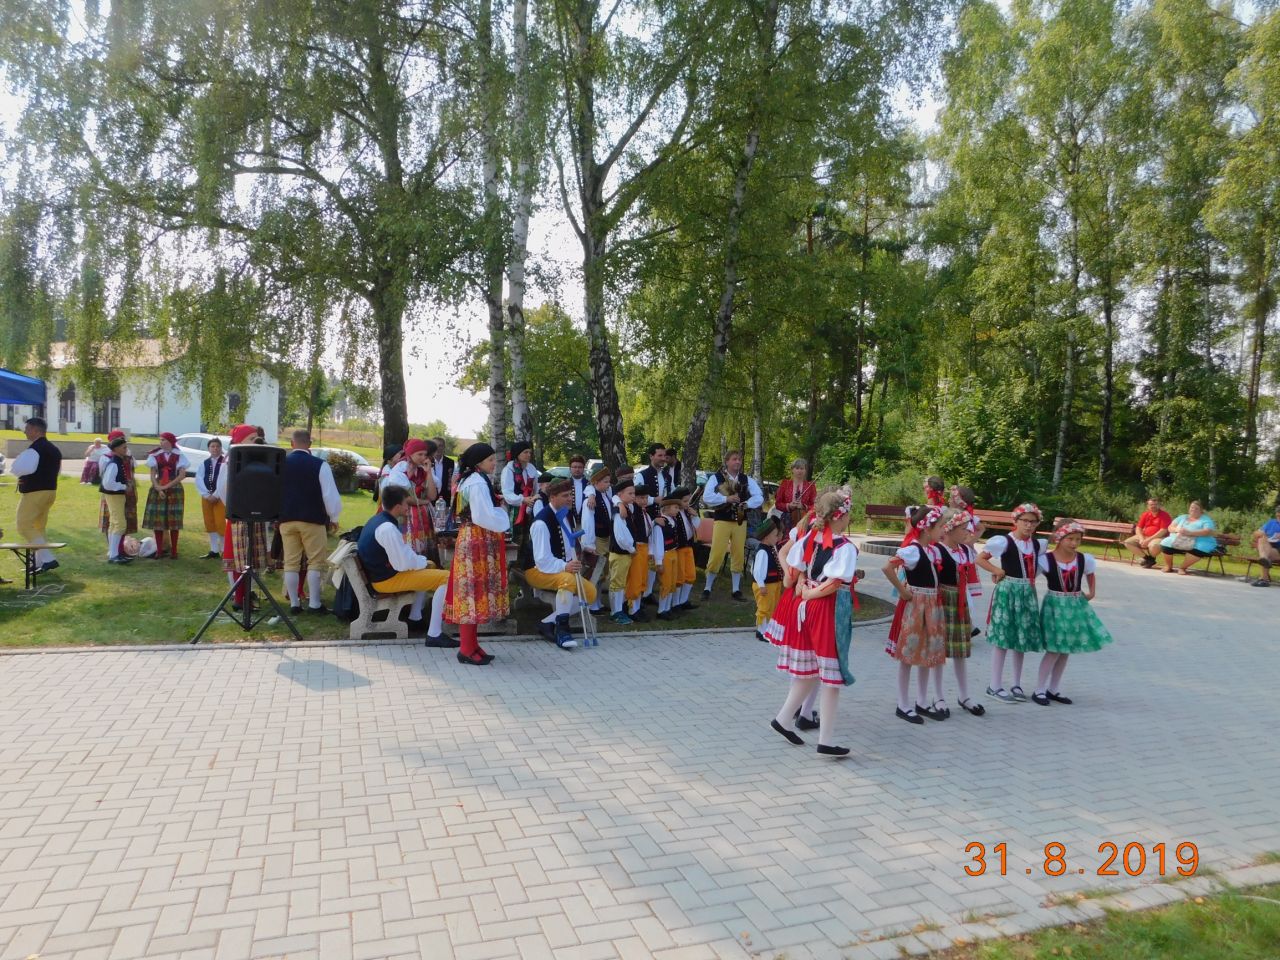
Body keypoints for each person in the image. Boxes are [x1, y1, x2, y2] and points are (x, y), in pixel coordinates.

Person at [770, 488, 857, 757]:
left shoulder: (811, 537)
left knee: (809, 671)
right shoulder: (845, 547)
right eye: (848, 514)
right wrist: (811, 592)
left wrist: (804, 585)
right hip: (826, 609)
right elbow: (835, 582)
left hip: (805, 608)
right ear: (840, 517)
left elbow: (798, 566)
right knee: (831, 677)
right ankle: (825, 740)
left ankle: (783, 719)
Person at [1033, 520, 1113, 705]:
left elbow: (1090, 574)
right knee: (1054, 649)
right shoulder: (1046, 560)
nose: (1074, 543)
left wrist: (1092, 592)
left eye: (1078, 539)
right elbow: (1030, 577)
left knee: (1065, 649)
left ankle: (1053, 688)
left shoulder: (1084, 559)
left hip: (1075, 605)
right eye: (1070, 539)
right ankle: (1039, 689)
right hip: (1054, 606)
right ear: (1059, 538)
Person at [445, 442, 511, 666]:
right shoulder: (477, 483)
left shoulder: (472, 479)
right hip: (477, 538)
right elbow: (483, 516)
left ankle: (471, 644)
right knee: (471, 593)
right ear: (479, 462)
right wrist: (502, 515)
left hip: (473, 536)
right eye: (490, 460)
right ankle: (466, 648)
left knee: (473, 593)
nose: (494, 463)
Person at [358, 485, 451, 642]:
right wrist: (421, 562)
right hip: (386, 580)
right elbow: (402, 563)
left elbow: (403, 557)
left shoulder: (378, 520)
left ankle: (415, 617)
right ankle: (435, 634)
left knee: (429, 564)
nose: (409, 507)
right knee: (447, 578)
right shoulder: (387, 528)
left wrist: (423, 563)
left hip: (382, 575)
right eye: (406, 503)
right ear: (397, 507)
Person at [976, 502, 1048, 703]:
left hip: (1027, 592)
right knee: (1003, 638)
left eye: (1033, 522)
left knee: (1020, 639)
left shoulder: (1038, 545)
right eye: (1025, 521)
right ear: (1016, 521)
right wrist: (996, 570)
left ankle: (1016, 684)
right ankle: (994, 685)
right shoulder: (1004, 541)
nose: (1029, 525)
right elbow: (980, 559)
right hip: (1008, 591)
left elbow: (1038, 566)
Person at [884, 506, 948, 724]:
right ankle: (903, 704)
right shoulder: (912, 550)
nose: (943, 530)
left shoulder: (933, 550)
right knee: (908, 654)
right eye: (940, 527)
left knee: (927, 652)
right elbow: (887, 567)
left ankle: (921, 701)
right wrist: (902, 592)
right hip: (916, 606)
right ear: (927, 529)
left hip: (932, 605)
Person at [278, 429, 343, 615]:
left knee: (291, 562)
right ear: (310, 444)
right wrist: (334, 517)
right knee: (315, 561)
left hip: (286, 519)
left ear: (292, 444)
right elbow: (329, 495)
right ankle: (314, 603)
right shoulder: (320, 465)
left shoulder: (280, 464)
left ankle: (294, 604)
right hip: (312, 519)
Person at [526, 478, 595, 648]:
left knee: (590, 593)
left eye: (570, 495)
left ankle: (547, 622)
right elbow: (542, 560)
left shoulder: (564, 514)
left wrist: (573, 560)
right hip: (536, 571)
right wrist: (565, 566)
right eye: (565, 496)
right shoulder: (541, 522)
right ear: (552, 498)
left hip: (558, 569)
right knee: (568, 580)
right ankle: (563, 631)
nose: (570, 498)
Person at [219, 424, 273, 611]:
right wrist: (235, 506)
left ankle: (247, 594)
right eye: (251, 439)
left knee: (252, 557)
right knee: (238, 557)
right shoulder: (230, 461)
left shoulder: (257, 459)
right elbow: (222, 489)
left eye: (256, 438)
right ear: (240, 441)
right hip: (238, 514)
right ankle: (239, 596)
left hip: (254, 513)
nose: (255, 442)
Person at [936, 510, 984, 717]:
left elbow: (969, 576)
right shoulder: (937, 550)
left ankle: (964, 695)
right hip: (942, 601)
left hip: (960, 602)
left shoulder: (965, 551)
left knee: (960, 651)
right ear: (948, 529)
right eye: (964, 528)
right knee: (938, 651)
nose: (968, 532)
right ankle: (938, 696)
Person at [700, 450, 764, 602]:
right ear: (727, 461)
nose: (737, 462)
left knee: (738, 553)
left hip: (740, 520)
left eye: (739, 459)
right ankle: (707, 588)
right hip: (722, 520)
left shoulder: (746, 479)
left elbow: (759, 496)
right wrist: (726, 499)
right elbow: (707, 497)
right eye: (734, 459)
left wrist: (747, 503)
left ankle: (736, 590)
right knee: (717, 553)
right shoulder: (716, 478)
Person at [10, 416, 63, 574]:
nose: (25, 432)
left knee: (24, 526)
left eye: (27, 429)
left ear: (35, 430)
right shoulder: (54, 449)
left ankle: (47, 559)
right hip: (50, 491)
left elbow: (17, 468)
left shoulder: (35, 449)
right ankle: (39, 563)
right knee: (38, 527)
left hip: (34, 492)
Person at [384, 439, 439, 564]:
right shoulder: (399, 470)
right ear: (410, 454)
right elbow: (405, 498)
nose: (424, 457)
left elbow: (432, 496)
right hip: (406, 516)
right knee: (409, 547)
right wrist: (424, 502)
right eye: (420, 454)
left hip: (423, 516)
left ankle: (427, 567)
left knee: (426, 547)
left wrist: (429, 473)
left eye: (425, 454)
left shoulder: (422, 470)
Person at [143, 432, 188, 559]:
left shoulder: (179, 455)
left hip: (175, 488)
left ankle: (174, 551)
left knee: (174, 521)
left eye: (163, 440)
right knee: (158, 520)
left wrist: (166, 487)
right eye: (160, 440)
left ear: (170, 441)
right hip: (158, 487)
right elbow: (152, 474)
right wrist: (158, 487)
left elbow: (182, 475)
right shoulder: (155, 455)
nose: (161, 442)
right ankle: (159, 550)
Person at [579, 466, 613, 612]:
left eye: (609, 481)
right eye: (605, 482)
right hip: (596, 539)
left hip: (605, 538)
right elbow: (587, 523)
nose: (608, 484)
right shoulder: (590, 501)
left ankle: (597, 602)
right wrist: (589, 543)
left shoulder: (604, 494)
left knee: (602, 573)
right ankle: (591, 604)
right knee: (595, 572)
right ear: (596, 482)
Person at [98, 429, 139, 542]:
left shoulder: (128, 455)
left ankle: (121, 545)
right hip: (113, 490)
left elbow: (133, 468)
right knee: (113, 519)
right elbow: (104, 476)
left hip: (128, 488)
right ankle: (113, 546)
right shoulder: (106, 457)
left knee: (125, 518)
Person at [607, 479, 638, 624]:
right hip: (620, 553)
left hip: (625, 553)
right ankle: (616, 612)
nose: (633, 496)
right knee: (617, 583)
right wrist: (631, 548)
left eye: (634, 493)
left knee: (621, 583)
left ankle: (620, 609)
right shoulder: (618, 512)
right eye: (630, 493)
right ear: (620, 494)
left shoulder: (626, 507)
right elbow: (621, 536)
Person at [1159, 500, 1219, 575]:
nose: (1193, 509)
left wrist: (1190, 533)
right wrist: (1177, 530)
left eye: (1196, 508)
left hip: (1199, 540)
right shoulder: (1182, 517)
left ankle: (1182, 568)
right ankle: (1168, 566)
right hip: (1179, 539)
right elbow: (1170, 527)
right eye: (1192, 507)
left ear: (1201, 510)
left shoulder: (1206, 519)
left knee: (1200, 547)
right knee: (1165, 543)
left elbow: (1207, 531)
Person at [99, 436, 134, 564]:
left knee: (114, 523)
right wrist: (124, 487)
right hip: (114, 495)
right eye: (123, 447)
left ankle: (113, 553)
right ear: (116, 449)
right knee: (120, 524)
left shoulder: (117, 461)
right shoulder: (114, 463)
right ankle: (114, 555)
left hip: (116, 495)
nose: (126, 449)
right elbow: (108, 483)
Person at [624, 485, 655, 622]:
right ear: (634, 498)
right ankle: (632, 609)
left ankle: (637, 606)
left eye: (646, 498)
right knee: (635, 579)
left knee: (642, 577)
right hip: (637, 547)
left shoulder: (645, 513)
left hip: (645, 548)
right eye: (641, 498)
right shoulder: (633, 511)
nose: (644, 501)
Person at [751, 518, 784, 642]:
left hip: (773, 584)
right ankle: (761, 631)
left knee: (771, 607)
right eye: (775, 535)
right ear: (766, 537)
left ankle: (768, 629)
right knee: (764, 608)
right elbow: (757, 570)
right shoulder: (763, 551)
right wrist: (761, 585)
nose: (777, 538)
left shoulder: (770, 548)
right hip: (765, 585)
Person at [499, 440, 539, 543]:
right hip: (514, 509)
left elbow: (536, 487)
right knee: (515, 538)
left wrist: (534, 498)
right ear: (517, 454)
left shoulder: (531, 468)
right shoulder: (509, 470)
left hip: (529, 507)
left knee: (528, 537)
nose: (528, 455)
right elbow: (507, 492)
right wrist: (522, 499)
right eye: (525, 452)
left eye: (529, 452)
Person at [195, 438, 228, 559]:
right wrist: (206, 495)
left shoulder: (225, 463)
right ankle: (214, 550)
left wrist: (216, 494)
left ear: (221, 448)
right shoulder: (205, 463)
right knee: (210, 522)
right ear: (208, 449)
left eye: (217, 446)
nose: (215, 449)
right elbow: (199, 479)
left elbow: (225, 480)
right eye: (212, 446)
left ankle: (224, 550)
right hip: (207, 497)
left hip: (221, 497)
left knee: (220, 522)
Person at [653, 493, 682, 621]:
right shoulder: (661, 523)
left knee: (672, 582)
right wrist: (659, 562)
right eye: (675, 507)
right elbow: (658, 543)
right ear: (666, 508)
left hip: (673, 553)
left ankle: (667, 608)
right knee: (665, 582)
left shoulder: (672, 521)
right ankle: (661, 610)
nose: (677, 510)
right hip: (665, 555)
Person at [1123, 496, 1172, 569]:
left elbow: (1163, 531)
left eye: (1155, 504)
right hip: (1145, 536)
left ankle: (1149, 559)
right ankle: (1148, 559)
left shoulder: (1164, 515)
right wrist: (1141, 539)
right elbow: (1138, 528)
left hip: (1159, 537)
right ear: (1148, 506)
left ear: (1159, 505)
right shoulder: (1145, 514)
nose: (1153, 506)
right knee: (1127, 542)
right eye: (1151, 504)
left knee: (1154, 545)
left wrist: (1148, 540)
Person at [672, 487, 700, 611]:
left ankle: (683, 601)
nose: (687, 504)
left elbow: (696, 526)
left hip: (688, 546)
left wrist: (695, 516)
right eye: (684, 501)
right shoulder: (675, 514)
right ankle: (676, 603)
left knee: (690, 575)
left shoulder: (687, 512)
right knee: (679, 576)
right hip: (679, 548)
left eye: (688, 501)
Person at [775, 460, 816, 538]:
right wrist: (788, 505)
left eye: (802, 468)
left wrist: (804, 506)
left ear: (805, 470)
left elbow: (815, 506)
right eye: (797, 468)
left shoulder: (810, 486)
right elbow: (778, 504)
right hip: (787, 521)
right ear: (792, 469)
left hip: (805, 520)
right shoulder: (785, 484)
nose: (799, 471)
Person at [1249, 505, 1280, 587]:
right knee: (1261, 539)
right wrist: (1263, 534)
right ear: (1277, 513)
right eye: (1278, 512)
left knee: (1265, 555)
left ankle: (1264, 579)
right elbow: (1256, 533)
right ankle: (1264, 559)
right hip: (1270, 548)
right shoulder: (1271, 522)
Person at [638, 444, 671, 515]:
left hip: (666, 516)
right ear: (651, 456)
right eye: (660, 455)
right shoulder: (642, 475)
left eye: (664, 455)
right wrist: (653, 499)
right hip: (648, 517)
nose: (663, 458)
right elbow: (635, 497)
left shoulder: (667, 476)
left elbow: (672, 493)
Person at [568, 455, 591, 525]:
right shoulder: (565, 484)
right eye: (574, 467)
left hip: (586, 523)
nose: (577, 469)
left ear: (583, 468)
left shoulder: (589, 484)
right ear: (570, 468)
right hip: (569, 523)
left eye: (580, 467)